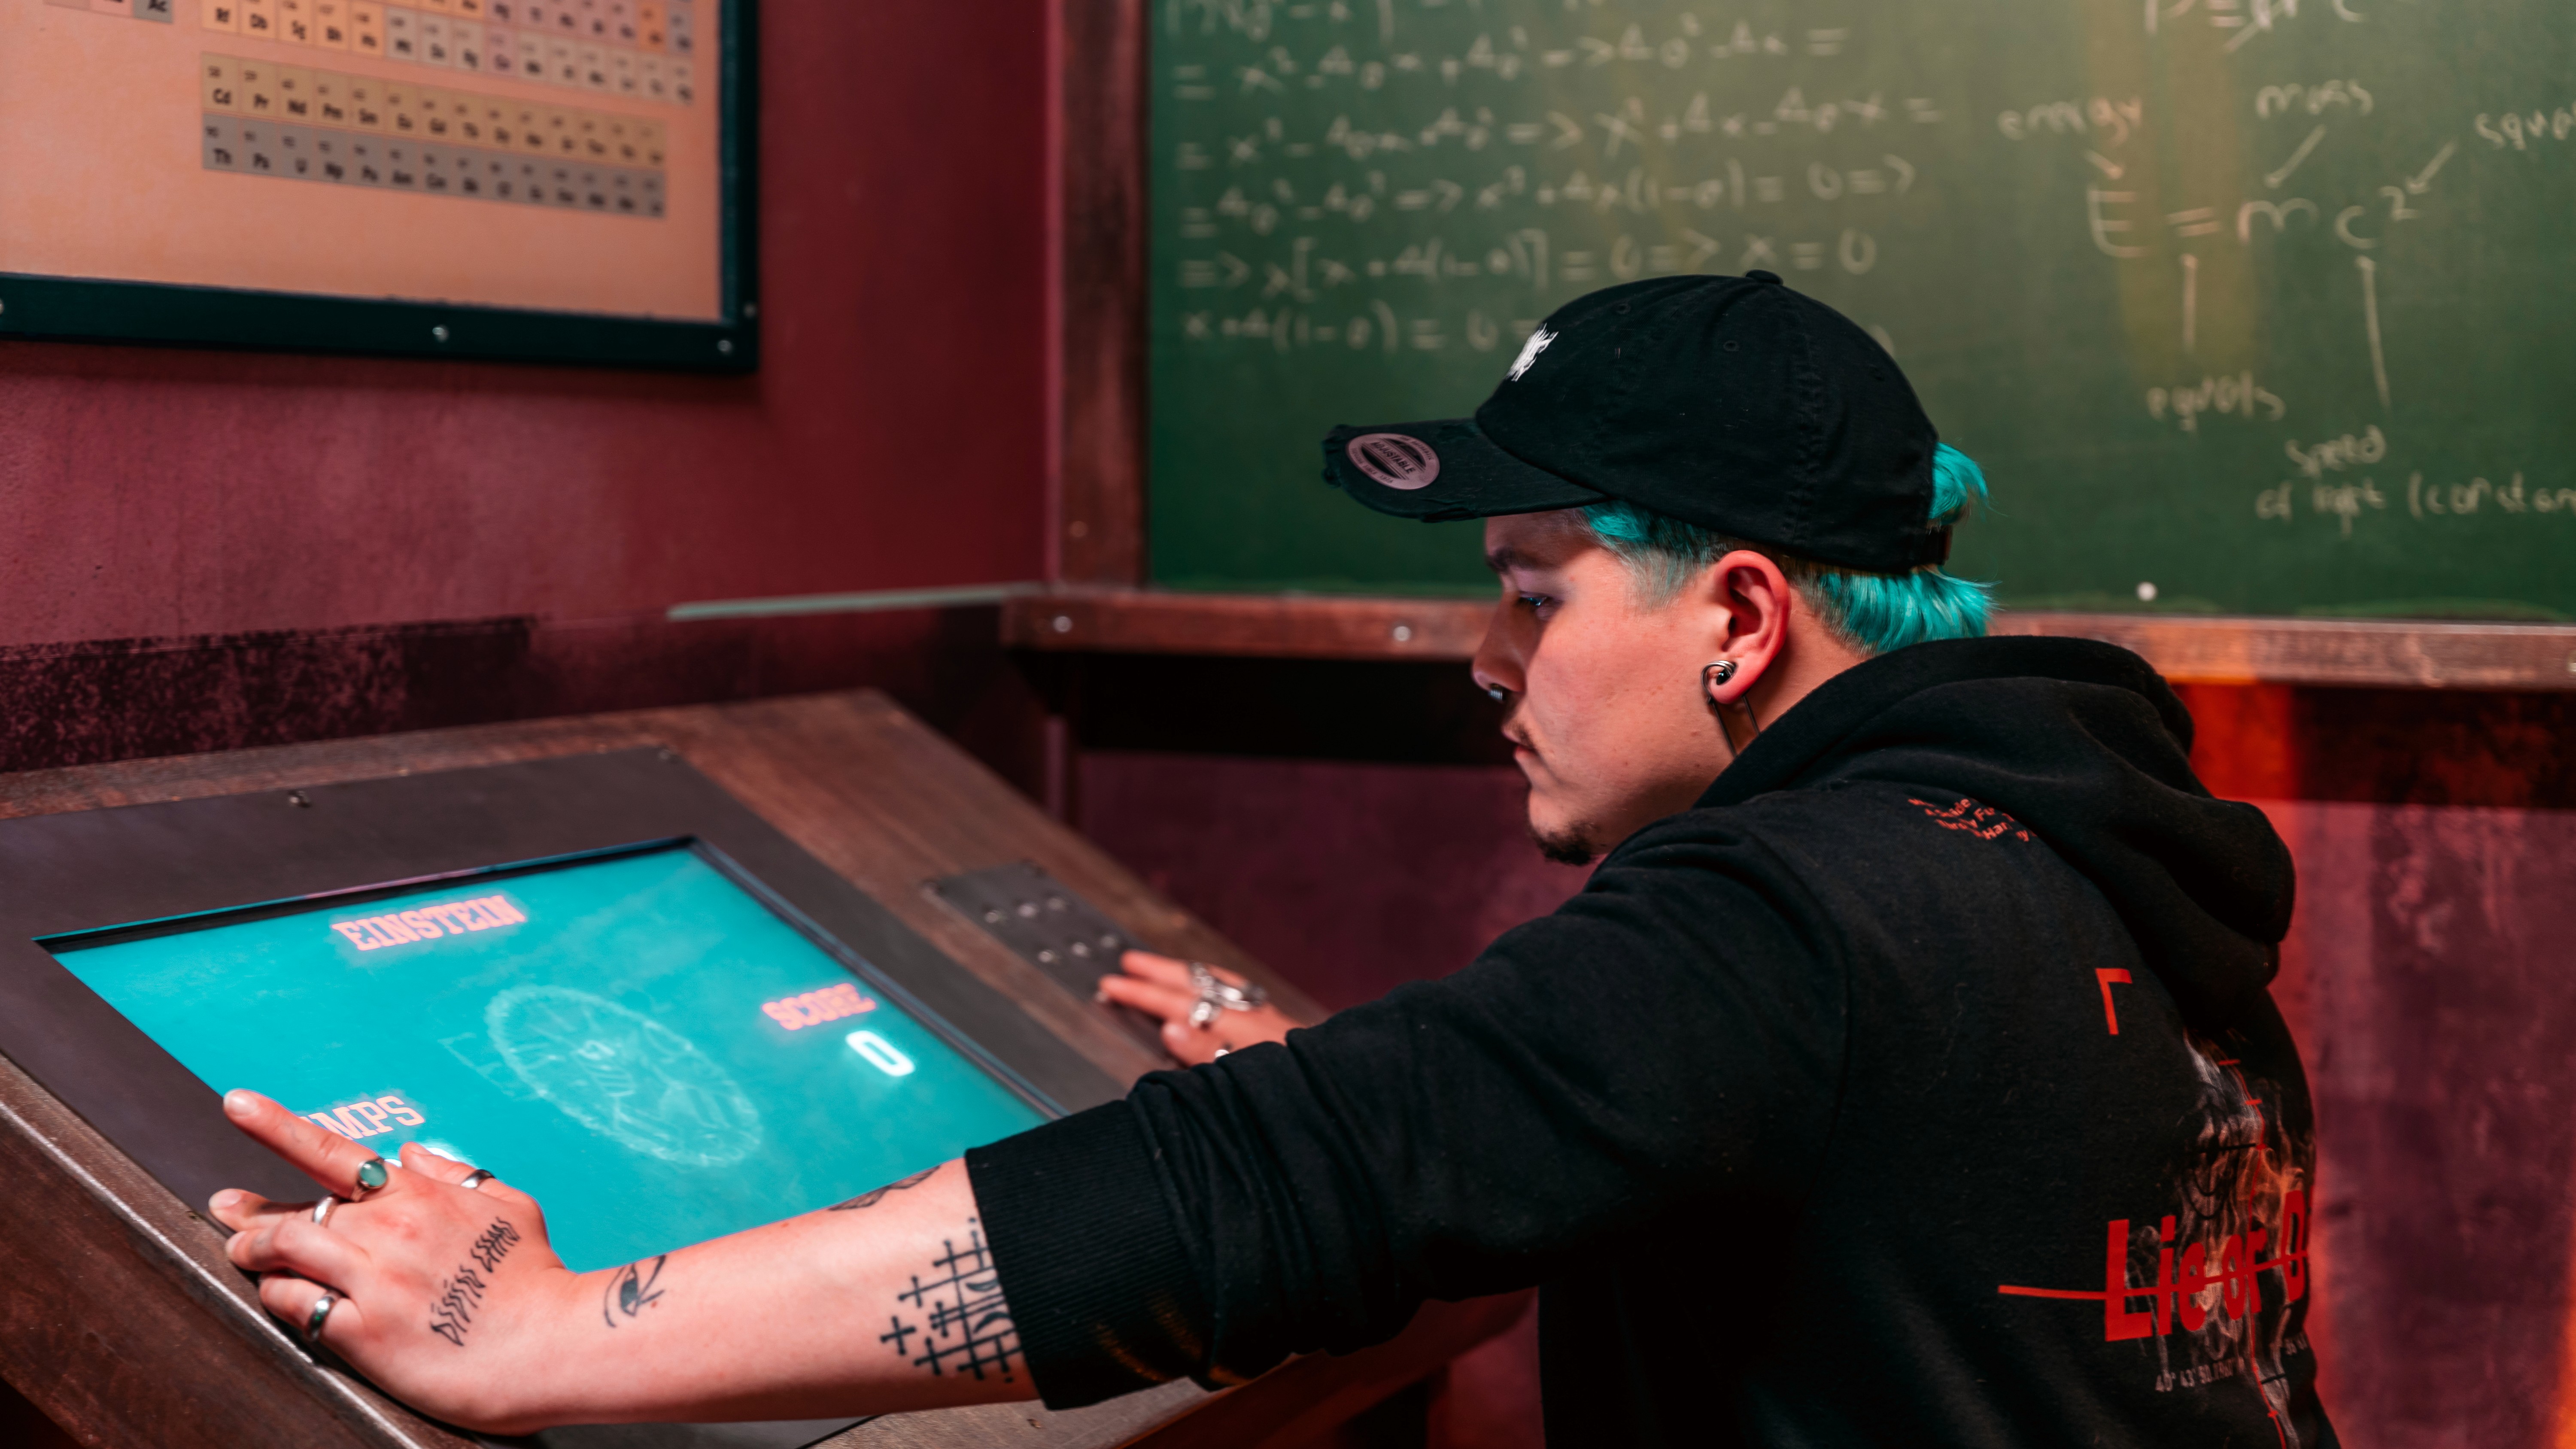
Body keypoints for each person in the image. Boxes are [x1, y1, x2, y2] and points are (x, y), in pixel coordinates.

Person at [209, 273, 2331, 1446]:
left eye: (1530, 592)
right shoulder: (2063, 840)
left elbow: (1255, 1191)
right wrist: (1461, 1094)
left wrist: (550, 1327)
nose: (1488, 664)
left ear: (1740, 616)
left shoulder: (1788, 916)